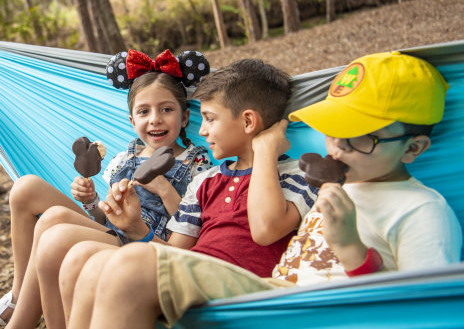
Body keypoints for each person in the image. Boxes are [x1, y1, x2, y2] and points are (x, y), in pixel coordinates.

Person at [66, 51, 463, 329]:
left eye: (361, 139)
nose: (338, 147)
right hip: (271, 293)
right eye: (333, 128)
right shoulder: (330, 183)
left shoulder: (421, 210)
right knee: (99, 263)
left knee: (132, 265)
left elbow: (424, 311)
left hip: (299, 312)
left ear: (413, 148)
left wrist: (353, 251)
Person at [56, 58, 319, 328]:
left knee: (129, 260)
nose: (202, 130)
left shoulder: (298, 176)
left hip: (248, 294)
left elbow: (266, 229)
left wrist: (264, 152)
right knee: (89, 260)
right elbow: (173, 252)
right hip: (191, 278)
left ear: (249, 121)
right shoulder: (205, 182)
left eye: (210, 119)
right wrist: (136, 228)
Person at [0, 49, 212, 329]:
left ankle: (21, 322)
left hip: (147, 244)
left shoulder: (195, 163)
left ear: (185, 117)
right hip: (112, 232)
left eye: (166, 109)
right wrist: (92, 201)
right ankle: (19, 301)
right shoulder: (124, 160)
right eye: (144, 111)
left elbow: (194, 226)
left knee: (55, 231)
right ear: (132, 121)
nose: (155, 119)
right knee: (28, 190)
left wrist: (165, 189)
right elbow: (104, 219)